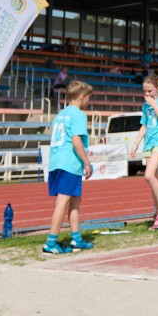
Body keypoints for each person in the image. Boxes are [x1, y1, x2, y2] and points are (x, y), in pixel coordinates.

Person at [43, 80, 94, 254]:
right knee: (63, 202)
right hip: (69, 163)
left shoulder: (60, 114)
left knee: (75, 200)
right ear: (82, 96)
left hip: (56, 162)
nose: (88, 101)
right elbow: (76, 140)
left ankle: (76, 239)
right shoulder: (78, 115)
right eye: (88, 98)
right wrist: (86, 162)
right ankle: (51, 243)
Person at [128, 74, 158, 230]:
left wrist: (155, 105)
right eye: (144, 91)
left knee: (148, 175)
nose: (146, 94)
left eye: (149, 91)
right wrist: (135, 144)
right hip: (149, 142)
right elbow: (144, 125)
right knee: (153, 178)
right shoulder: (145, 105)